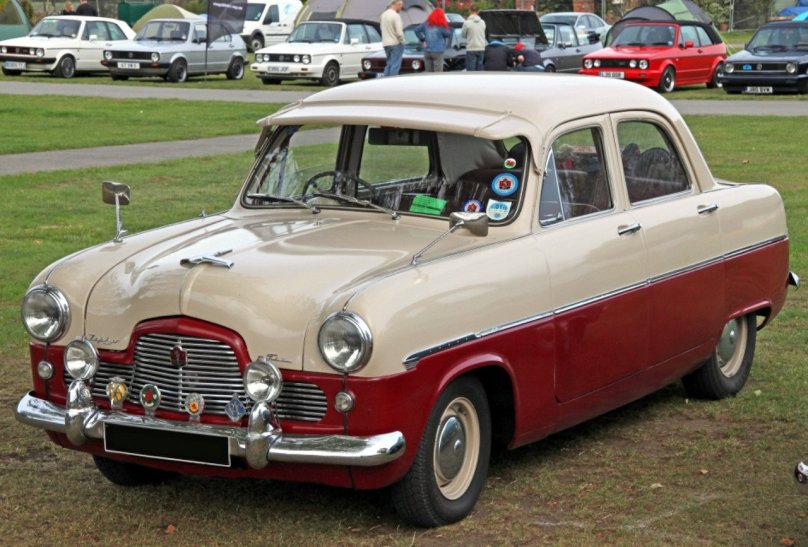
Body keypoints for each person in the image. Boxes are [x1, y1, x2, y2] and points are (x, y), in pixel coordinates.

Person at [413, 8, 452, 72]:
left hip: (427, 50)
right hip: (438, 50)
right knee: (438, 72)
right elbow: (448, 34)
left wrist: (422, 39)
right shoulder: (440, 25)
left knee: (428, 72)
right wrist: (446, 27)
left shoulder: (426, 24)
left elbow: (416, 30)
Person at [381, 0, 405, 76]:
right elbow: (399, 32)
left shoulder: (383, 15)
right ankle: (393, 84)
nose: (401, 8)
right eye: (401, 6)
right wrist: (403, 41)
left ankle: (385, 83)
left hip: (386, 43)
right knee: (395, 66)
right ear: (397, 4)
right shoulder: (396, 16)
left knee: (389, 64)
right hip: (396, 43)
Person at [462, 5, 486, 71]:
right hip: (481, 47)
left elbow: (463, 35)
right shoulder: (483, 22)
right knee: (480, 67)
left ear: (469, 11)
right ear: (478, 12)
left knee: (471, 70)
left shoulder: (466, 23)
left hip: (471, 47)